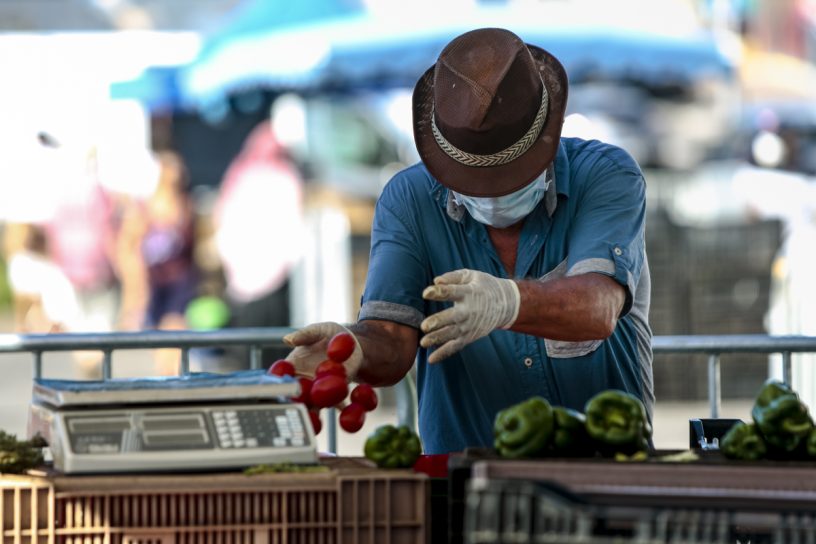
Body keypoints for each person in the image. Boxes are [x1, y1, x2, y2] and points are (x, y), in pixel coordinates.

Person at [284, 28, 653, 454]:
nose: (493, 194)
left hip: (605, 468)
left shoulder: (606, 176)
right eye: (474, 180)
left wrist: (509, 302)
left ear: (547, 141)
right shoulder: (410, 200)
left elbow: (598, 307)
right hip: (462, 478)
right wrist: (352, 349)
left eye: (508, 174)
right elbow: (393, 341)